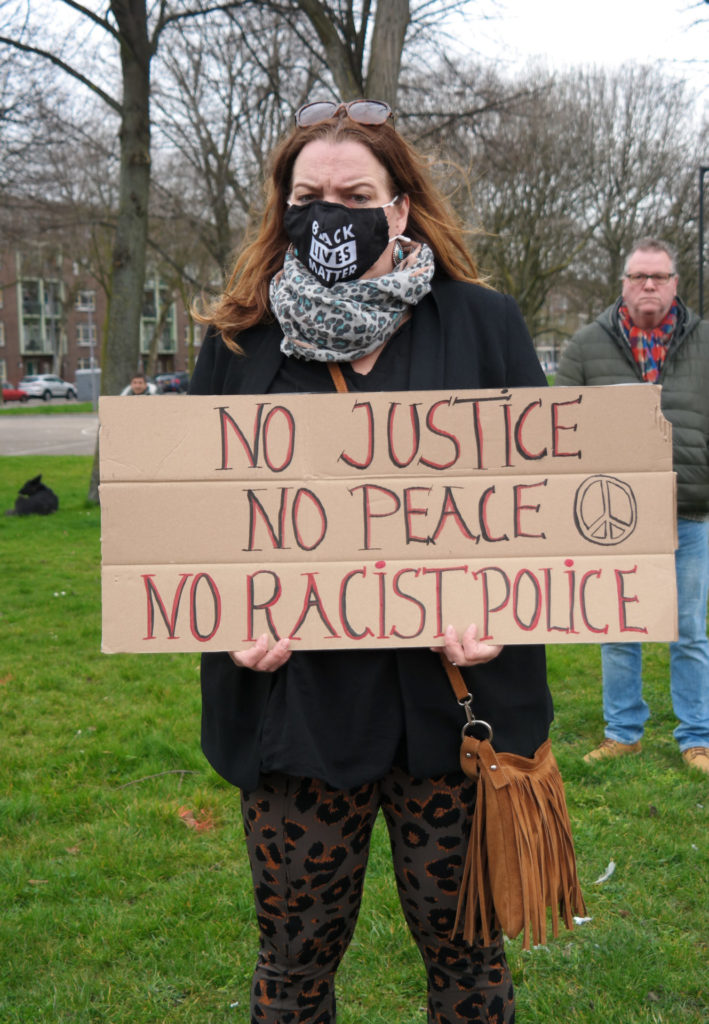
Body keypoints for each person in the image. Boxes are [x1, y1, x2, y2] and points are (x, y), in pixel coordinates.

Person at [190, 98, 554, 1024]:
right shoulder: (237, 342)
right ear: (283, 207)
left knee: (470, 964)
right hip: (298, 713)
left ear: (397, 208)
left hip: (451, 707)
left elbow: (541, 504)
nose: (329, 212)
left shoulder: (483, 324)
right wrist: (227, 618)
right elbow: (194, 519)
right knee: (294, 968)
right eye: (308, 195)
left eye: (354, 193)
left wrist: (507, 611)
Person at [555, 237, 709, 776]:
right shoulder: (585, 346)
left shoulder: (705, 342)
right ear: (623, 283)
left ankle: (697, 737)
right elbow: (560, 423)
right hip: (613, 516)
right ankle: (624, 733)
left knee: (689, 629)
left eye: (659, 277)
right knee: (617, 627)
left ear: (674, 283)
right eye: (639, 276)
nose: (649, 285)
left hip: (688, 512)